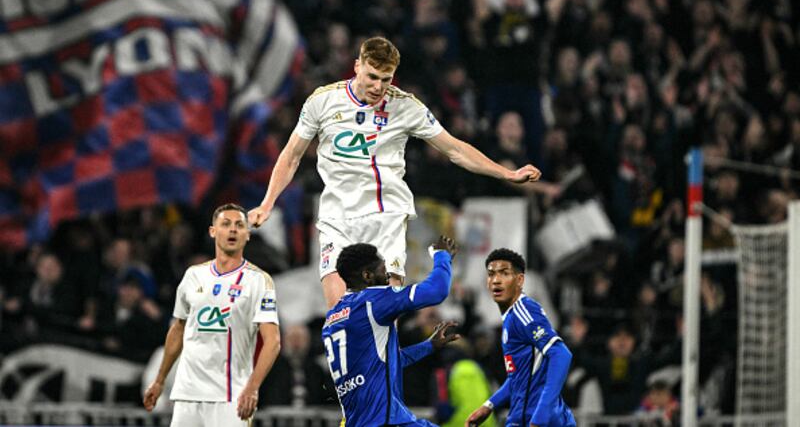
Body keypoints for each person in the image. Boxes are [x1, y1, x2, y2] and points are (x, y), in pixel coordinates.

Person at [248, 36, 542, 308]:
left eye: (386, 79)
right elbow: (291, 155)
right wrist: (267, 202)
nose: (378, 87)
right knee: (339, 313)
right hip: (337, 216)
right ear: (357, 67)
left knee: (385, 310)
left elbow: (454, 149)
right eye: (372, 77)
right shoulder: (322, 101)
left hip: (385, 215)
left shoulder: (405, 106)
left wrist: (506, 173)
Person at [143, 204, 281, 426]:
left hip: (230, 397)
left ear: (247, 234)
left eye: (239, 225)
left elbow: (272, 341)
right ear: (213, 231)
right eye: (225, 224)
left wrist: (253, 387)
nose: (233, 230)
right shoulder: (192, 276)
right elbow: (178, 329)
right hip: (188, 396)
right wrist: (159, 380)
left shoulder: (258, 281)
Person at [322, 236, 461, 426]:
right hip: (383, 422)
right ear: (367, 276)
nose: (387, 274)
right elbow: (437, 290)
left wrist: (428, 346)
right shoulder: (373, 301)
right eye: (382, 268)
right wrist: (441, 255)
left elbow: (383, 363)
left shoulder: (331, 319)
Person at [466, 249, 576, 427]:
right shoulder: (510, 319)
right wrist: (489, 405)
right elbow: (519, 378)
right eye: (491, 274)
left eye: (504, 273)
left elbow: (561, 354)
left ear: (519, 280)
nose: (496, 280)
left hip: (539, 420)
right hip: (522, 417)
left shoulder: (524, 311)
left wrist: (540, 416)